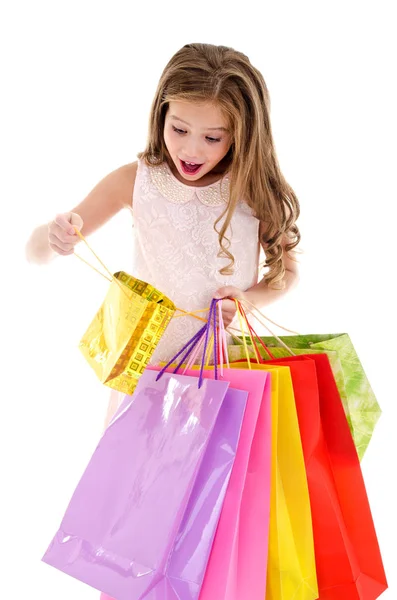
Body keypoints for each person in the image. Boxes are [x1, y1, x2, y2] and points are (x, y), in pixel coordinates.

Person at [26, 42, 301, 599]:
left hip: (227, 375)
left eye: (213, 137)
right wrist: (53, 236)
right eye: (180, 128)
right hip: (147, 377)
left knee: (222, 515)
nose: (192, 149)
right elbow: (37, 250)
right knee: (140, 519)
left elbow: (286, 271)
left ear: (242, 135)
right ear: (161, 115)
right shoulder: (136, 180)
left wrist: (248, 297)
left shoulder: (250, 189)